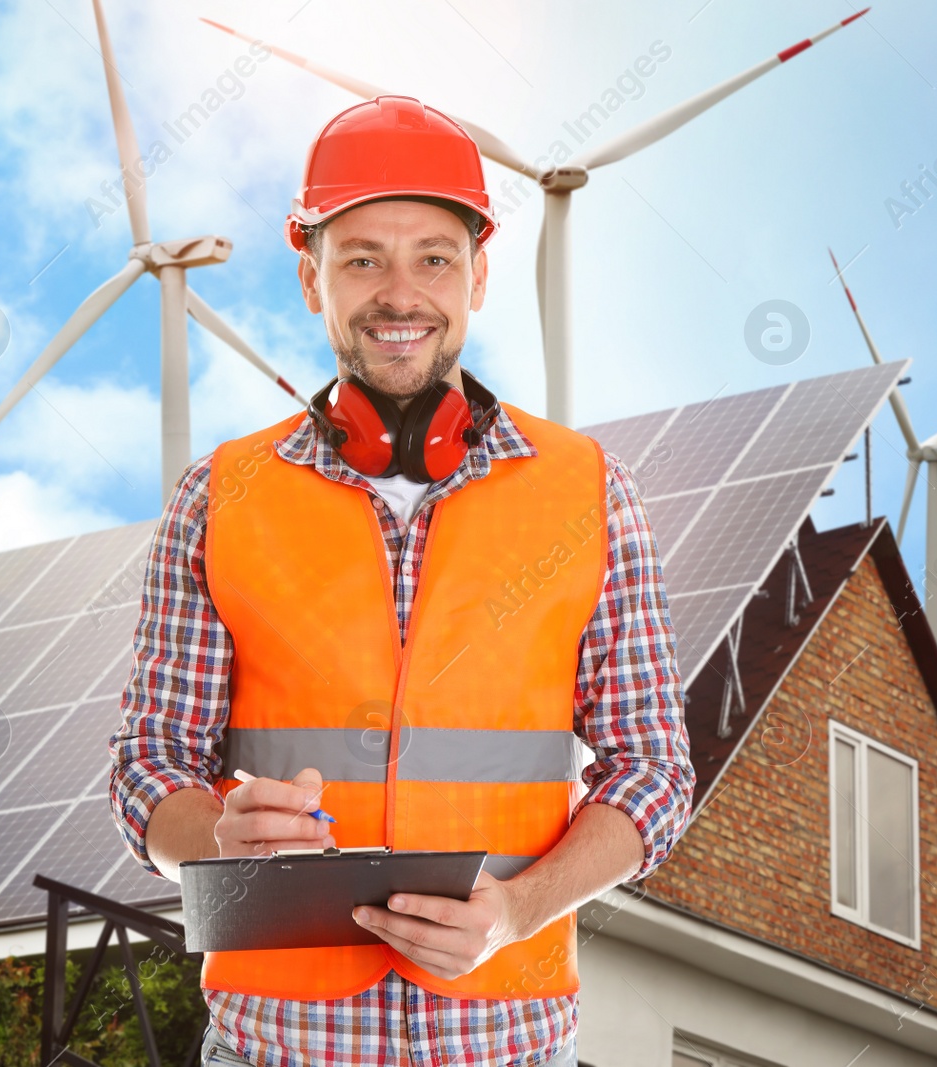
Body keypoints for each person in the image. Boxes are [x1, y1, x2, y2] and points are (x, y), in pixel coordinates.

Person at [109, 95, 695, 1067]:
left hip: (504, 1036)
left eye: (432, 255)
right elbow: (147, 761)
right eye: (361, 257)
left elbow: (654, 771)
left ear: (478, 274)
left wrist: (516, 911)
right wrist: (214, 831)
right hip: (275, 1039)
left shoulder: (588, 490)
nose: (399, 291)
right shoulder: (220, 494)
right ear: (310, 277)